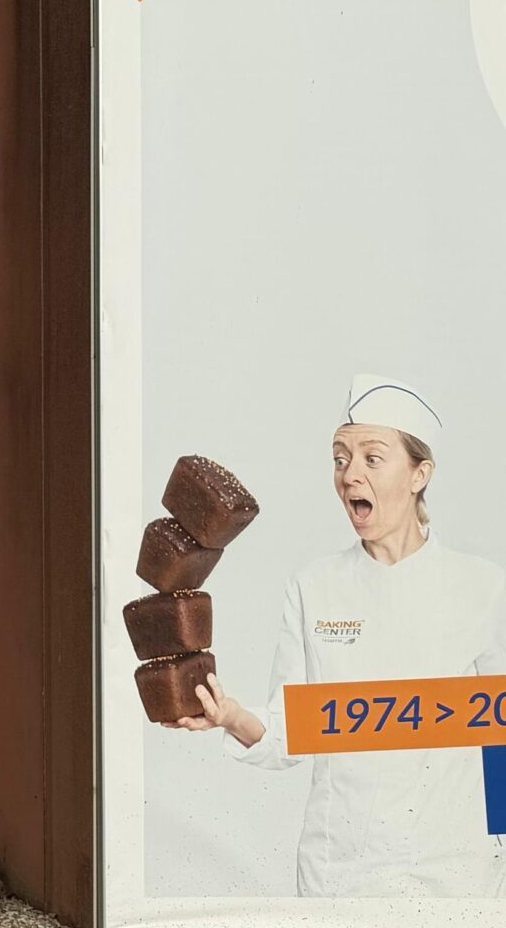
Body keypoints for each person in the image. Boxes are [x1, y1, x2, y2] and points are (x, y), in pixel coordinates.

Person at [170, 376, 506, 897]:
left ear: (420, 474)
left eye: (373, 459)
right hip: (343, 873)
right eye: (339, 458)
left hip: (456, 875)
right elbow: (291, 732)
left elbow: (500, 739)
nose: (350, 476)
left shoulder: (483, 588)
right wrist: (229, 716)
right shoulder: (314, 588)